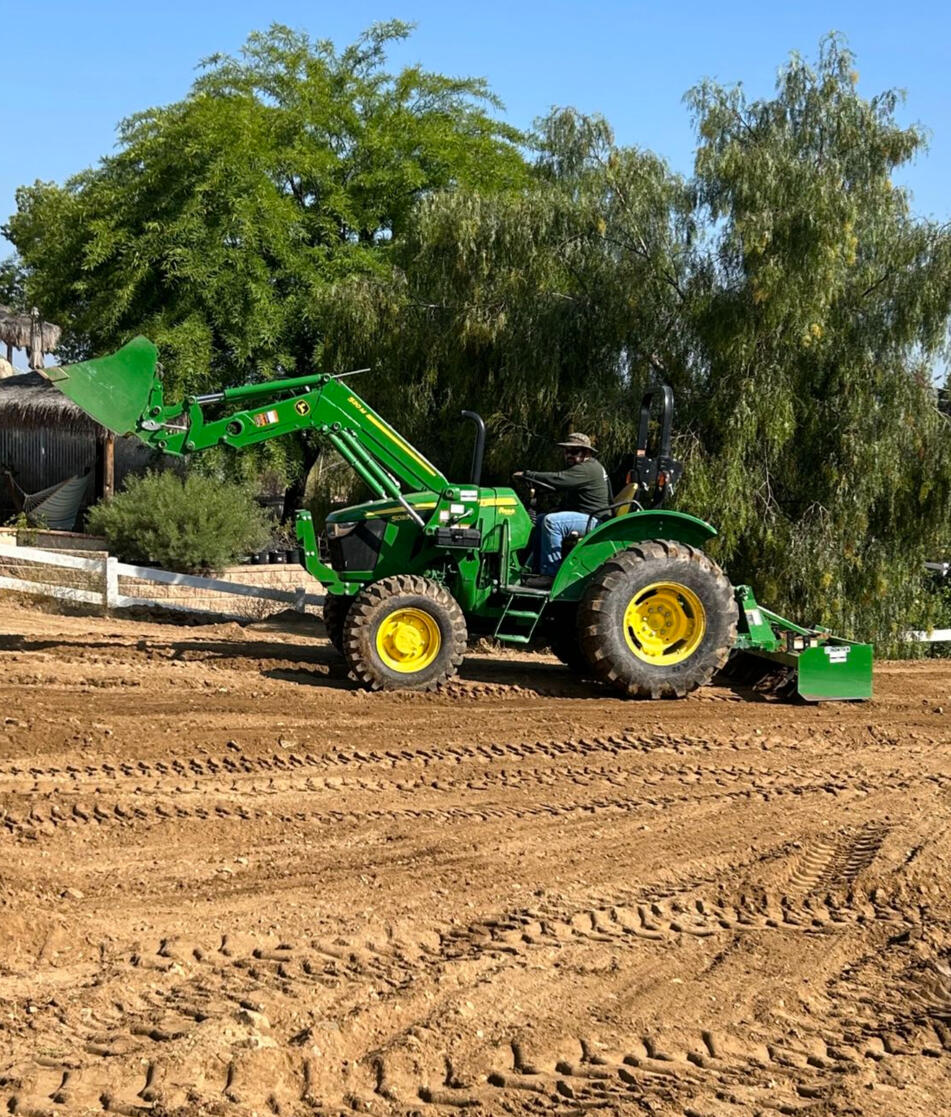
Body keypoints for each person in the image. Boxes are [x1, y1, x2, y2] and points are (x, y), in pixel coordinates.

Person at [514, 433, 611, 584]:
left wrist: (529, 474)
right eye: (567, 451)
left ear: (587, 452)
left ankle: (550, 575)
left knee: (552, 522)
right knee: (540, 519)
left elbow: (559, 478)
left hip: (595, 520)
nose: (569, 455)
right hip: (586, 516)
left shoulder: (588, 469)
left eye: (574, 451)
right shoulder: (583, 468)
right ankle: (534, 569)